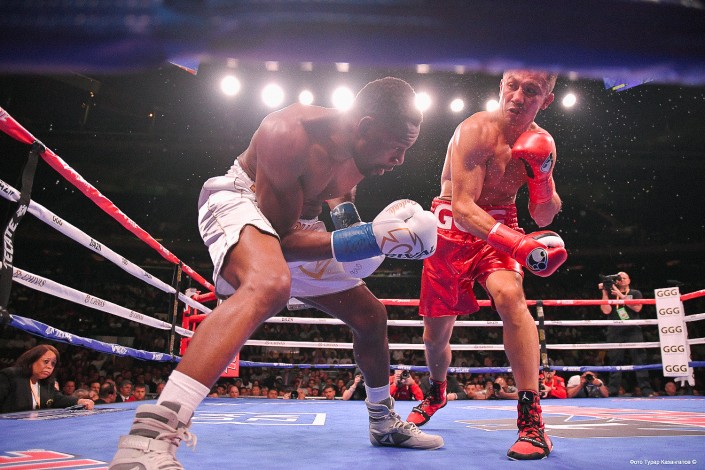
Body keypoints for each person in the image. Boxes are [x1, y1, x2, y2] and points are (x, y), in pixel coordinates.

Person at [110, 77, 443, 470]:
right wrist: (369, 238)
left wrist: (362, 237)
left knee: (371, 316)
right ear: (366, 127)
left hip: (296, 224)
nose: (400, 160)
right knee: (269, 284)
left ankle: (383, 423)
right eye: (397, 146)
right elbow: (281, 240)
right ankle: (149, 438)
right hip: (243, 202)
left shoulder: (359, 151)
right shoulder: (289, 135)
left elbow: (336, 202)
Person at [407, 70, 566, 461]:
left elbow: (543, 215)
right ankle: (437, 391)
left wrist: (543, 179)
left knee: (511, 297)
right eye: (512, 85)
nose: (518, 96)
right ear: (501, 85)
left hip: (501, 223)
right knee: (435, 337)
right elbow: (463, 208)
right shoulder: (475, 130)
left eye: (531, 91)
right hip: (451, 230)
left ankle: (532, 422)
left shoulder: (543, 142)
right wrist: (519, 244)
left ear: (545, 100)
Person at [598, 271, 652, 396]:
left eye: (624, 278)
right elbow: (606, 311)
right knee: (615, 360)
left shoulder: (635, 293)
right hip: (615, 330)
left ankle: (646, 389)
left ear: (629, 280)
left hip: (633, 329)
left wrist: (620, 294)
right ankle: (613, 390)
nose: (621, 279)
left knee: (639, 359)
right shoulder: (611, 294)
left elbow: (637, 308)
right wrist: (605, 292)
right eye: (619, 278)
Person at [0, 344, 94, 412]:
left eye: (53, 364)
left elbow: (57, 398)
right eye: (46, 361)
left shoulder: (47, 383)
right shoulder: (10, 376)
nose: (49, 367)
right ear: (32, 360)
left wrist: (79, 401)